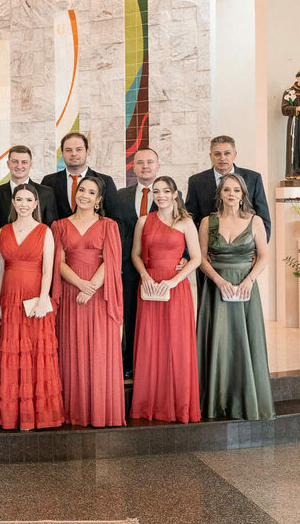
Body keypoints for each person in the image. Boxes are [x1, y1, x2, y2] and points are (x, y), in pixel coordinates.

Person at [197, 173, 275, 421]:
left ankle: (245, 399)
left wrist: (249, 280)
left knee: (244, 341)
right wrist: (218, 280)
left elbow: (264, 256)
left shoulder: (255, 221)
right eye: (227, 190)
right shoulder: (207, 222)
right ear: (220, 194)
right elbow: (200, 258)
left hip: (245, 288)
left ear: (243, 195)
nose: (231, 194)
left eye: (236, 190)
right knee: (217, 341)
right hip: (215, 289)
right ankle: (215, 401)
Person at [51, 175, 125, 427]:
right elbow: (58, 261)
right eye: (81, 190)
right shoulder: (60, 226)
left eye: (91, 192)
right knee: (73, 349)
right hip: (72, 294)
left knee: (99, 349)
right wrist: (80, 284)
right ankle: (76, 411)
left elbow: (112, 260)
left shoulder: (108, 225)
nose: (84, 195)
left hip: (99, 294)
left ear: (99, 199)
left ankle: (101, 411)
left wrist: (91, 286)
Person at [129, 176, 201, 423]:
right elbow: (135, 254)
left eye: (166, 191)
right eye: (157, 191)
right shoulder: (143, 221)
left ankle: (179, 404)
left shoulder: (186, 222)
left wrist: (174, 281)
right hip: (150, 287)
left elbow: (196, 258)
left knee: (176, 343)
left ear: (175, 194)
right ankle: (149, 403)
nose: (161, 196)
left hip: (175, 288)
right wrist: (145, 276)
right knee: (150, 342)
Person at [0, 183, 64, 430]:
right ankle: (14, 415)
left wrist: (43, 298)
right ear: (13, 203)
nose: (23, 204)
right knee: (13, 354)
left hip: (35, 296)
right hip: (10, 298)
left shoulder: (45, 231)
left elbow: (48, 269)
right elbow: (0, 268)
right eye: (19, 200)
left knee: (36, 352)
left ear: (36, 204)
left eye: (28, 200)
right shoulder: (3, 231)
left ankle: (37, 415)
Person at [116, 147, 168, 379]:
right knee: (130, 317)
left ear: (157, 166)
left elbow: (182, 226)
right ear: (133, 167)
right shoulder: (121, 196)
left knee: (158, 318)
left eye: (149, 162)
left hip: (160, 267)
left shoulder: (170, 194)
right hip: (128, 267)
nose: (145, 166)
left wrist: (185, 256)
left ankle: (157, 363)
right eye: (140, 162)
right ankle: (129, 364)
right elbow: (115, 231)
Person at [185, 135, 271, 241]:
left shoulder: (253, 178)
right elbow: (190, 219)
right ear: (210, 156)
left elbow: (263, 216)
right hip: (207, 246)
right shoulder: (196, 181)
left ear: (234, 155)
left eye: (227, 153)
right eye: (217, 154)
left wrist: (259, 246)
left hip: (246, 246)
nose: (222, 158)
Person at [42, 132, 120, 226]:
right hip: (57, 234)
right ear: (62, 153)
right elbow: (42, 217)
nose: (74, 154)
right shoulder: (48, 182)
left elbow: (115, 219)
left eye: (79, 149)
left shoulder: (105, 181)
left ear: (87, 151)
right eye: (68, 150)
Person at [0, 145, 59, 230]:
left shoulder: (46, 193)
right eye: (15, 161)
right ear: (8, 164)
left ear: (30, 165)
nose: (19, 166)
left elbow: (52, 227)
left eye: (24, 162)